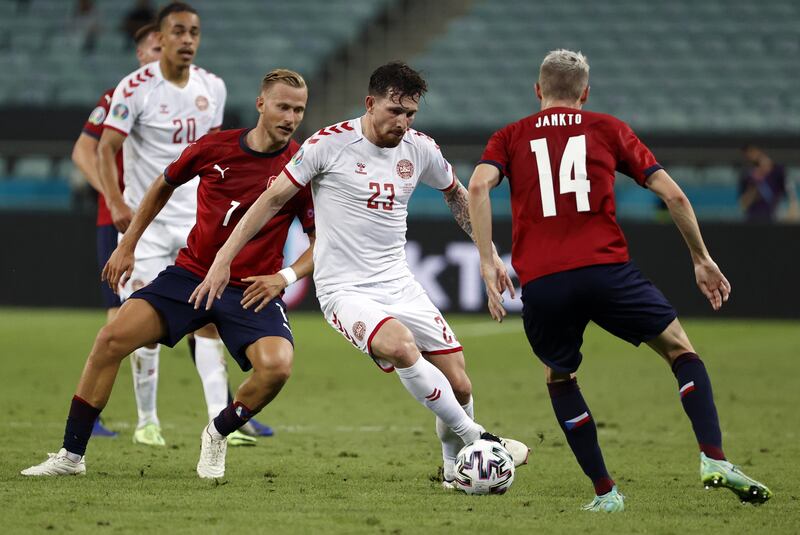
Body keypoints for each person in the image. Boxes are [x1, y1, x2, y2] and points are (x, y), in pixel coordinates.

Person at [189, 61, 529, 486]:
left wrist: (489, 254)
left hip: (399, 283)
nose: (402, 123)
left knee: (459, 384)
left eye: (410, 114)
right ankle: (482, 439)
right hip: (344, 290)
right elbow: (271, 200)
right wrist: (223, 259)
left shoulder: (420, 148)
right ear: (370, 104)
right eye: (394, 111)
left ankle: (452, 469)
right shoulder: (328, 145)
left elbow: (457, 195)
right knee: (401, 347)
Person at [467, 49, 773, 512]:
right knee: (680, 351)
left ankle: (606, 493)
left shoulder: (509, 136)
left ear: (537, 91)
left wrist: (489, 262)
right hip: (606, 270)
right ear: (585, 93)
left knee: (560, 376)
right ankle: (714, 458)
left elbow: (475, 187)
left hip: (545, 281)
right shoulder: (607, 128)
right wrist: (701, 257)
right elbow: (673, 194)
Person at [21, 69, 313, 479]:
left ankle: (217, 431)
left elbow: (323, 243)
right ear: (261, 104)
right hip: (192, 275)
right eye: (283, 106)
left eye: (299, 109)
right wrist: (128, 244)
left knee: (278, 368)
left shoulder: (301, 169)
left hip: (250, 289)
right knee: (110, 340)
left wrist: (285, 276)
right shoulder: (216, 147)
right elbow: (163, 183)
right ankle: (71, 456)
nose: (291, 117)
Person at [95, 2, 254, 447]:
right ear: (161, 38)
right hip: (145, 227)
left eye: (194, 33)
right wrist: (116, 203)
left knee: (208, 319)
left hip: (193, 222)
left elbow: (213, 155)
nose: (187, 40)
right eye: (178, 32)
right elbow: (106, 149)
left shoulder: (213, 88)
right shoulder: (135, 88)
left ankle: (220, 422)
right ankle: (148, 420)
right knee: (142, 323)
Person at [71, 22, 161, 439]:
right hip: (123, 221)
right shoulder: (120, 96)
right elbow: (82, 151)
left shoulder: (191, 99)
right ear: (141, 54)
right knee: (120, 315)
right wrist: (112, 196)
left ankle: (228, 410)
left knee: (204, 313)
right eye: (156, 47)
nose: (166, 53)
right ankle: (94, 412)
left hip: (173, 221)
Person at [738, 145, 793, 221]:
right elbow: (743, 204)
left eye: (752, 150)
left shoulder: (778, 171)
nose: (750, 155)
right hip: (752, 219)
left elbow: (790, 195)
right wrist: (754, 190)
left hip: (772, 218)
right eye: (747, 152)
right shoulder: (747, 175)